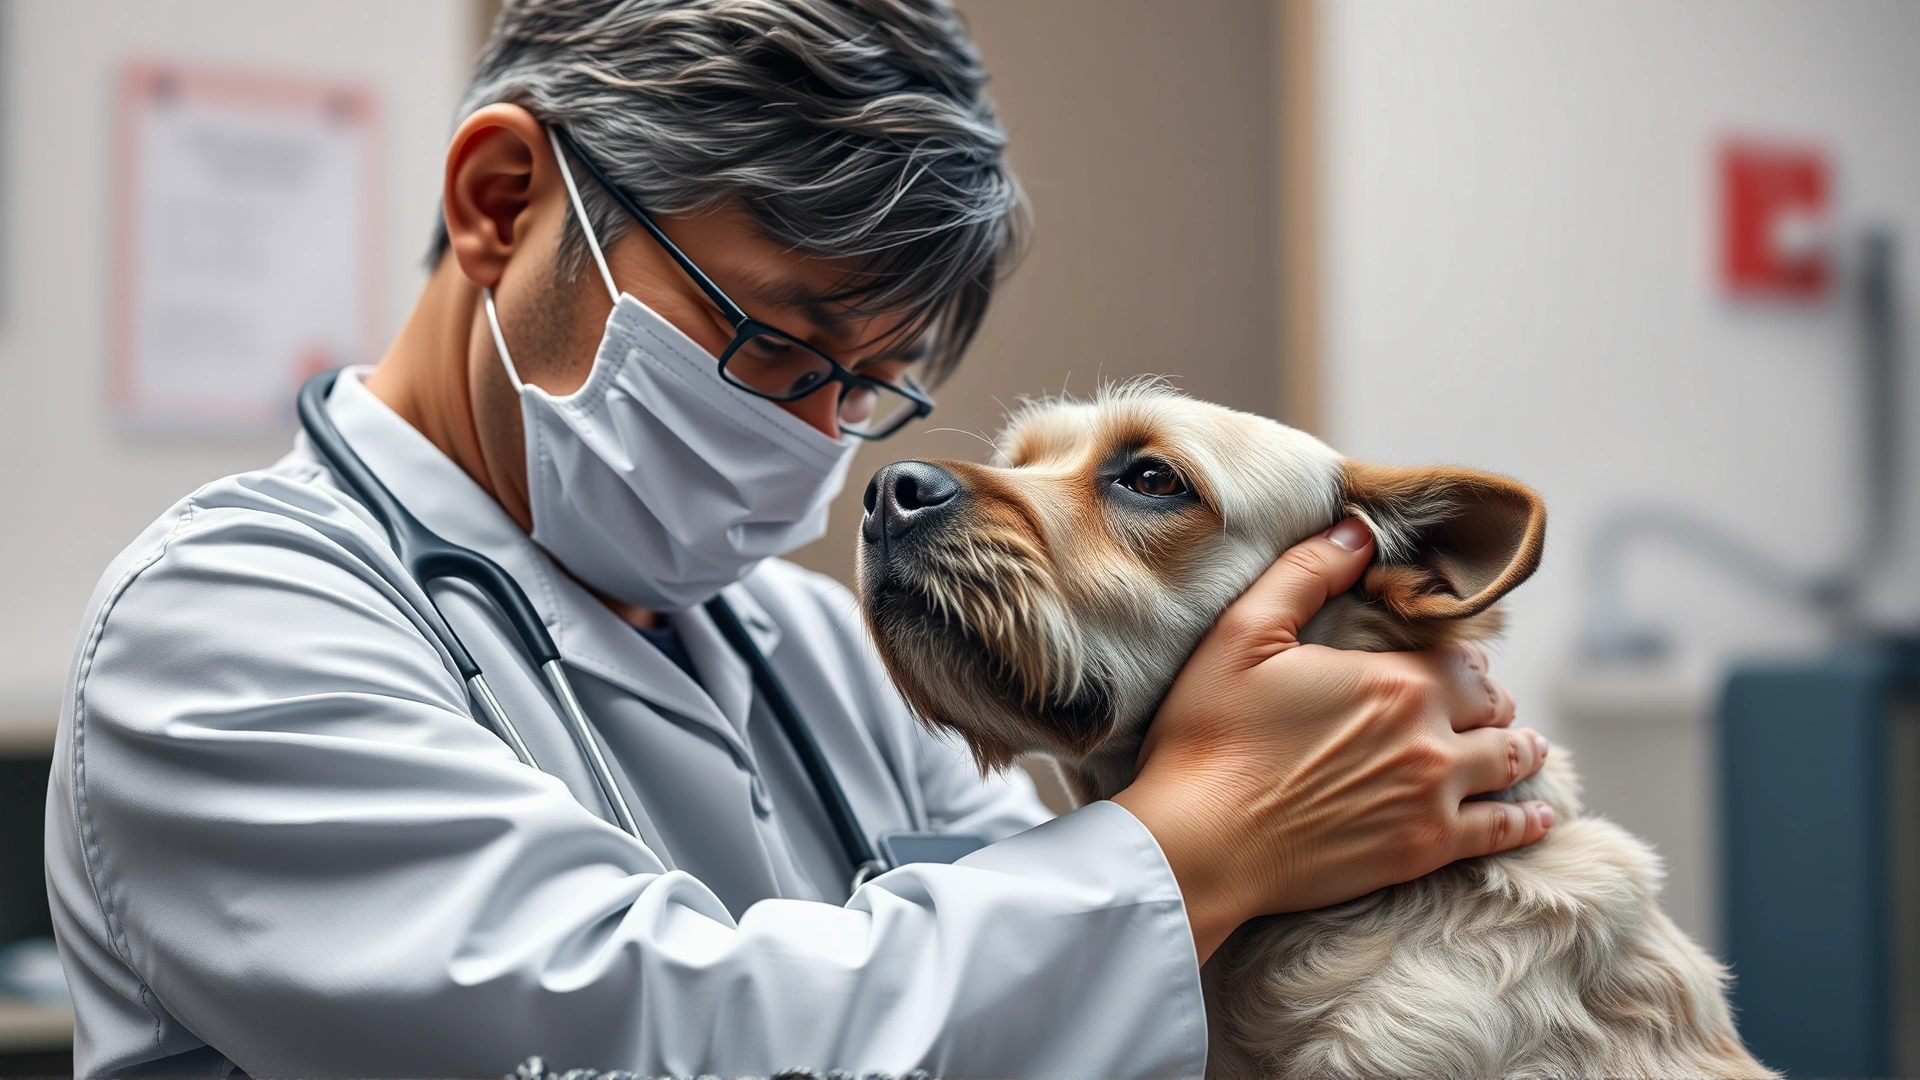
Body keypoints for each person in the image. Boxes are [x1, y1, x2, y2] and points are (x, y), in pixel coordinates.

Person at [44, 1, 1552, 1076]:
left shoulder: (812, 648)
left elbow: (1048, 1008)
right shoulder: (227, 633)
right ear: (504, 203)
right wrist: (1211, 835)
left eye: (868, 386)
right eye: (775, 345)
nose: (818, 435)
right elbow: (664, 1044)